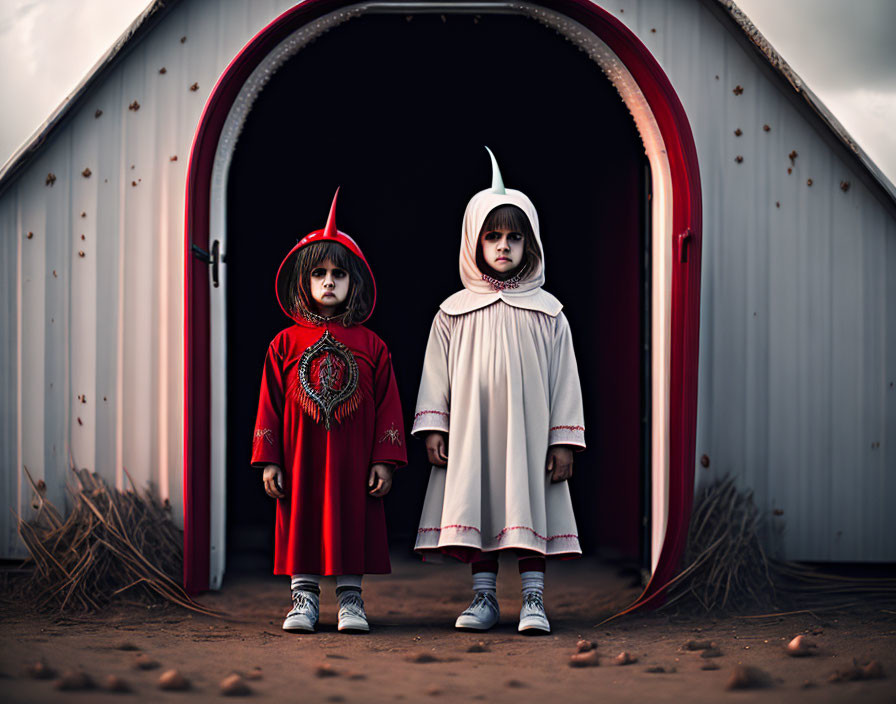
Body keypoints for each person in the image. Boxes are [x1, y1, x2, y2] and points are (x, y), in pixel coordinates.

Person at [413, 148, 585, 634]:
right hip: (475, 432)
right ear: (474, 241)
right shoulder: (452, 312)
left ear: (530, 244)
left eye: (514, 237)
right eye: (493, 237)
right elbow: (434, 373)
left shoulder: (549, 312)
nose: (503, 246)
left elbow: (565, 379)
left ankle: (533, 601)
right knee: (483, 505)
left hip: (531, 434)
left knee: (529, 507)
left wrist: (564, 440)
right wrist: (434, 427)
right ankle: (484, 600)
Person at [251, 189, 406, 633]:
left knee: (351, 516)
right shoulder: (283, 343)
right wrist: (269, 459)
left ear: (354, 280)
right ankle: (303, 598)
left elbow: (389, 403)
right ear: (304, 280)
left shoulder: (372, 344)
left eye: (339, 273)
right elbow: (269, 404)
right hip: (300, 457)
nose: (329, 281)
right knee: (301, 515)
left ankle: (350, 601)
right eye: (319, 272)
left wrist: (384, 459)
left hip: (354, 460)